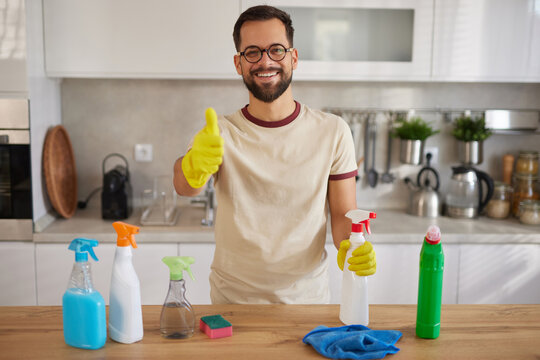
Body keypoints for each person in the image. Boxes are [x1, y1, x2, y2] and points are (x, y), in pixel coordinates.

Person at [173, 5, 376, 304]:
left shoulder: (333, 131)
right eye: (252, 52)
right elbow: (185, 187)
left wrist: (355, 245)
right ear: (238, 63)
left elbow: (343, 214)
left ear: (293, 57)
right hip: (233, 304)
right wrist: (191, 165)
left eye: (277, 50)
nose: (265, 61)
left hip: (308, 303)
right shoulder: (220, 133)